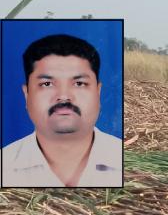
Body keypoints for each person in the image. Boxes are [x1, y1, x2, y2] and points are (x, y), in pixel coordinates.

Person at [2, 34, 122, 187]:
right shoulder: (4, 167)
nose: (64, 96)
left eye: (79, 83)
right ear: (26, 95)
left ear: (98, 92)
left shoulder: (127, 162)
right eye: (47, 84)